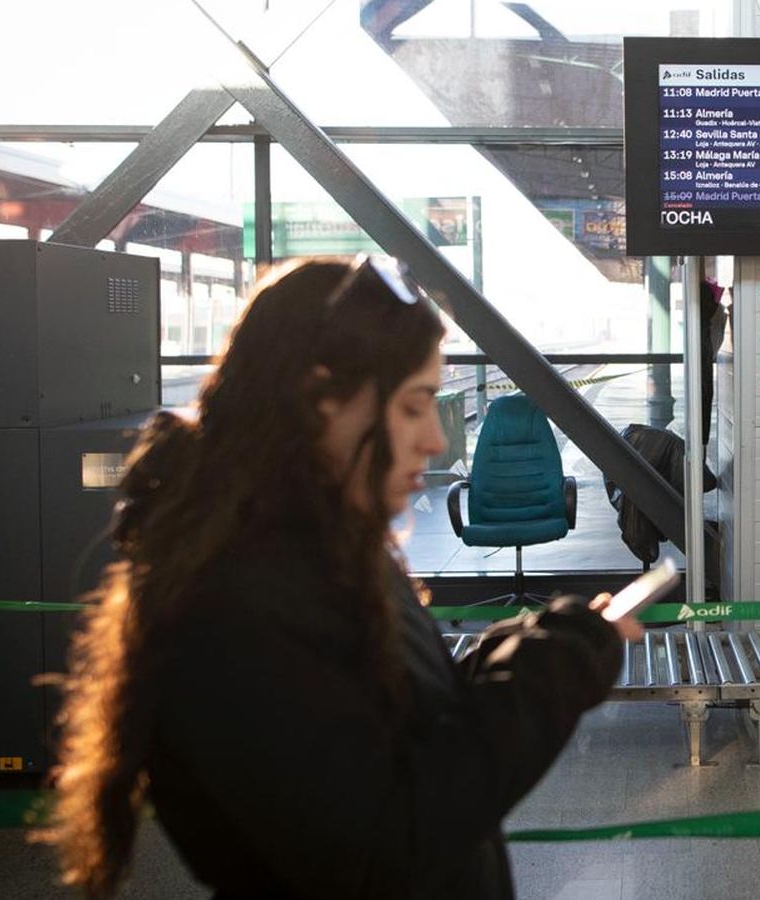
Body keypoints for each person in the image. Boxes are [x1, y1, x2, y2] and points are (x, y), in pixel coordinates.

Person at [38, 255, 641, 899]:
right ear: (319, 400)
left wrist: (525, 646)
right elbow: (385, 844)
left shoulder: (322, 549)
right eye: (413, 406)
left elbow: (392, 727)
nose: (435, 440)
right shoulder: (231, 602)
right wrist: (559, 669)